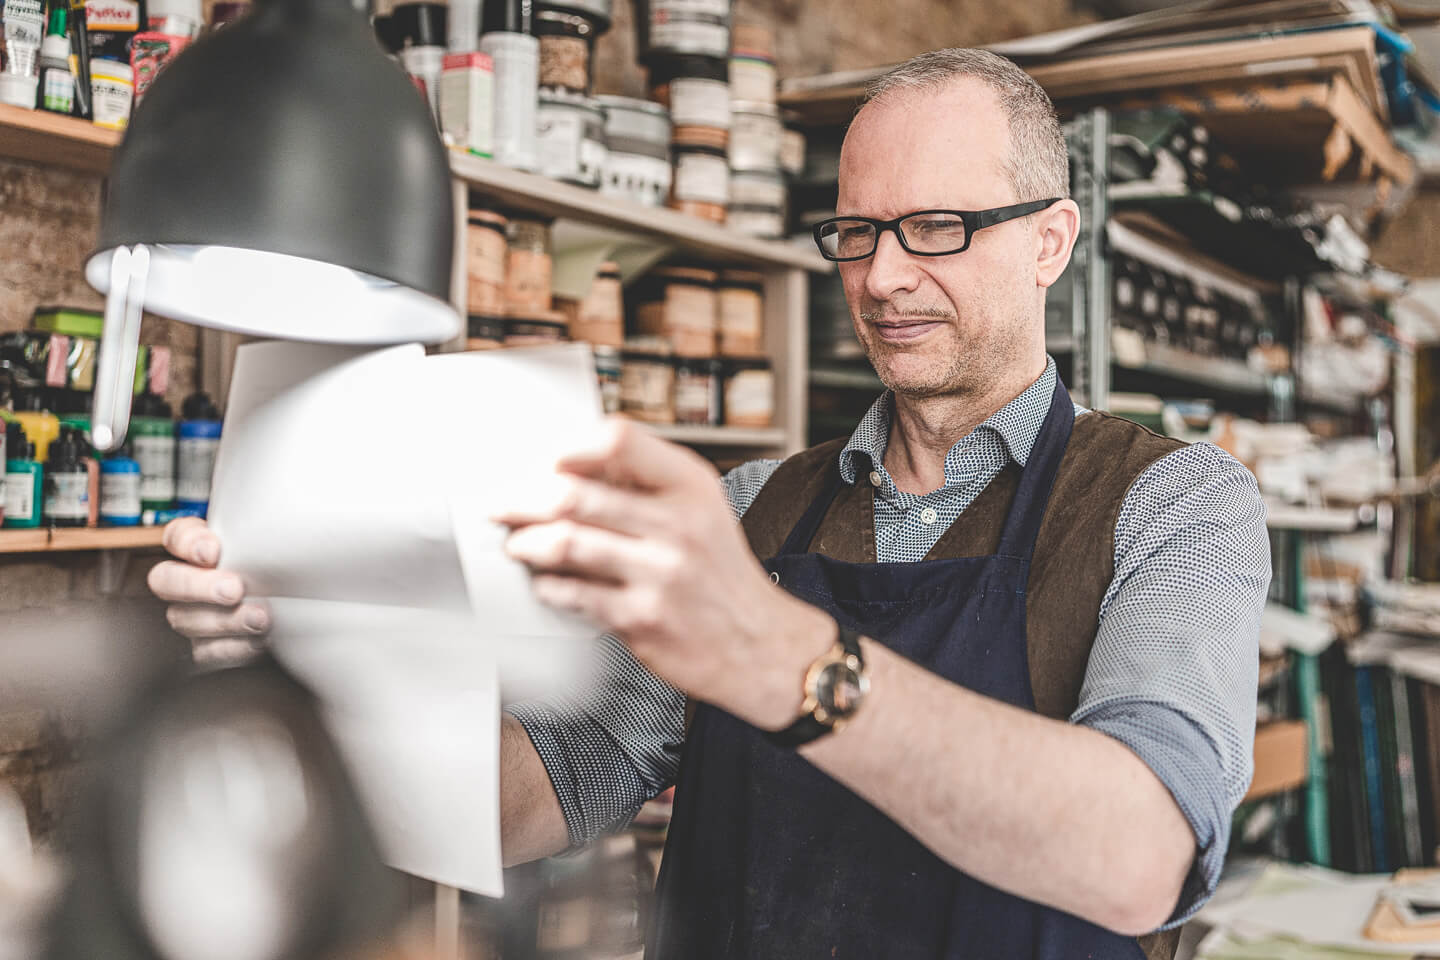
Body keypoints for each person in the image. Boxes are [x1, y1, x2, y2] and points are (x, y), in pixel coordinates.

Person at [149, 48, 1267, 960]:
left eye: (936, 228)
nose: (881, 278)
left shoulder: (1172, 507)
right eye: (857, 233)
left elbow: (1143, 854)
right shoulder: (750, 512)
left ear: (1050, 243)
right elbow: (526, 797)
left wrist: (778, 656)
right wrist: (296, 665)